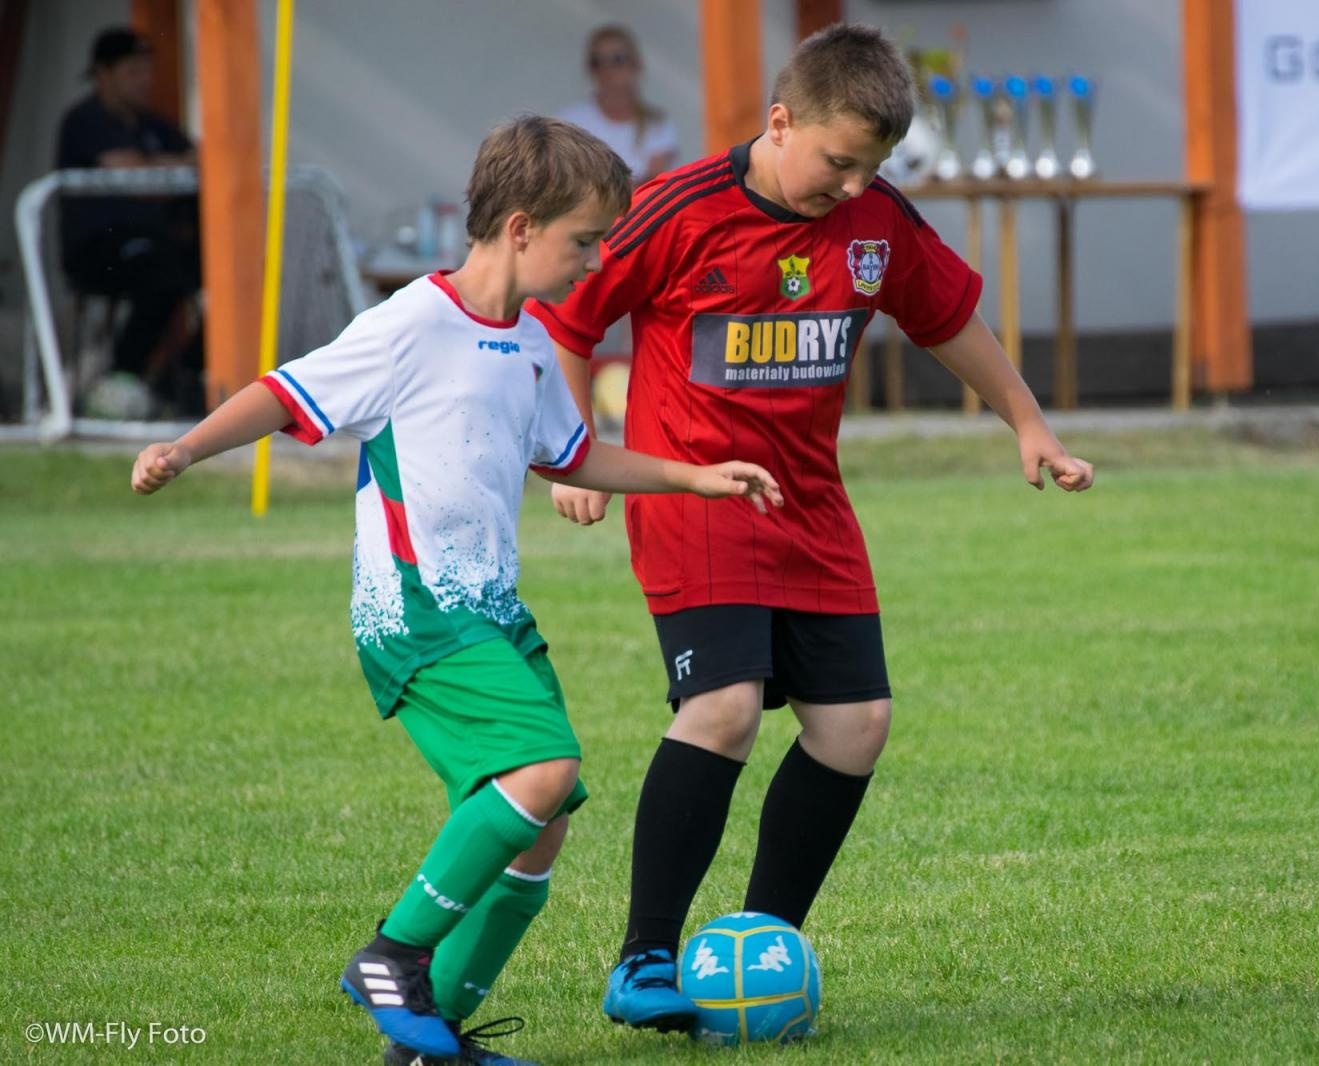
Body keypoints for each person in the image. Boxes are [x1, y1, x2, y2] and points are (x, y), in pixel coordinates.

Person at [130, 116, 783, 1066]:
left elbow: (570, 454)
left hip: (491, 614)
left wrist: (693, 476)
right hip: (417, 610)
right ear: (520, 228)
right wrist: (186, 447)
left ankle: (429, 1043)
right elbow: (287, 391)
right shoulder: (412, 323)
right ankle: (393, 955)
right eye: (584, 242)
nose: (596, 263)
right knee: (542, 772)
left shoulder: (524, 343)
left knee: (544, 829)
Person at [527, 23, 1095, 1034]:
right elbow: (568, 320)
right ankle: (645, 955)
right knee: (726, 709)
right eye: (835, 161)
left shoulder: (876, 219)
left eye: (868, 168)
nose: (848, 186)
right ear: (780, 122)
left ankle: (758, 948)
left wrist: (1029, 421)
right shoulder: (678, 210)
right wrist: (576, 453)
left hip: (811, 507)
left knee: (855, 727)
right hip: (697, 497)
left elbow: (946, 318)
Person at [56, 26, 204, 414]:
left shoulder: (152, 125)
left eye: (147, 71)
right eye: (133, 71)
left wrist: (170, 166)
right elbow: (135, 177)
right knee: (161, 272)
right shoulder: (86, 119)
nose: (145, 81)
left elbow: (203, 157)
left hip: (154, 244)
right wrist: (174, 168)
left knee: (228, 271)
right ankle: (122, 377)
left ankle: (187, 378)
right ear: (102, 74)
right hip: (99, 249)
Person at [557, 24, 678, 186]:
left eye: (617, 59)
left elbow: (656, 183)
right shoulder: (569, 121)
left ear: (636, 64)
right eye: (597, 61)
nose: (607, 69)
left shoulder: (657, 123)